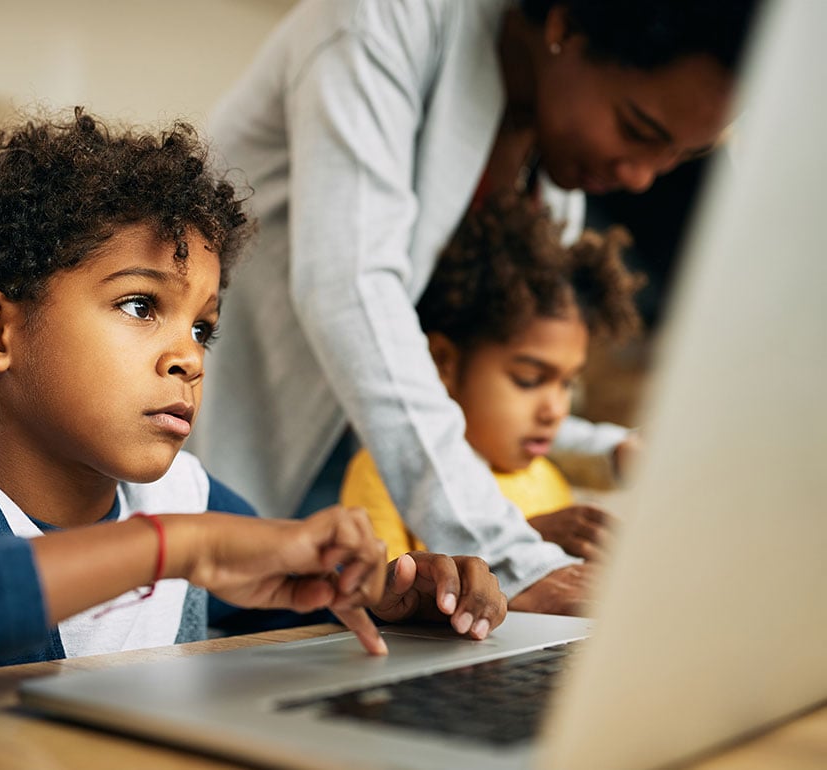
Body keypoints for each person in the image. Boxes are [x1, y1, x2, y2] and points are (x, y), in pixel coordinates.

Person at [0, 109, 508, 738]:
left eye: (203, 328)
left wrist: (391, 603)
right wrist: (166, 549)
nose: (189, 357)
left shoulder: (186, 499)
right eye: (141, 305)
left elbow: (296, 621)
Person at [191, 0, 761, 614]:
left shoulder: (551, 159)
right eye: (639, 129)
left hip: (358, 550)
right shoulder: (379, 21)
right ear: (564, 23)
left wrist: (606, 452)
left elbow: (478, 394)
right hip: (245, 483)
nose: (644, 176)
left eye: (679, 154)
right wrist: (513, 557)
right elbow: (351, 293)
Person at [341, 193, 643, 563]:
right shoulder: (382, 474)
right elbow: (380, 598)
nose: (555, 410)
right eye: (529, 379)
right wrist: (524, 544)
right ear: (444, 362)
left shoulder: (547, 478)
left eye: (567, 384)